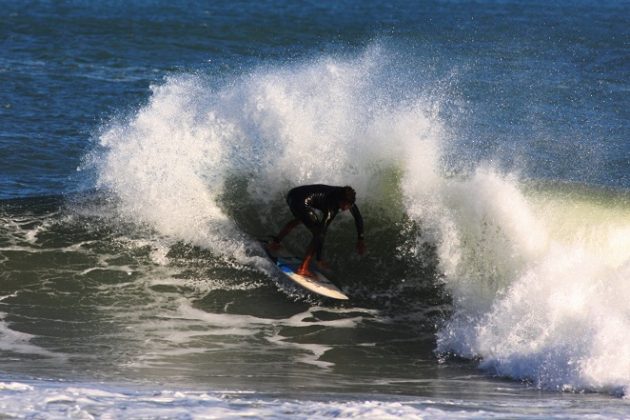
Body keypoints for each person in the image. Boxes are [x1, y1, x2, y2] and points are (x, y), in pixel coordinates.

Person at [268, 184, 366, 278]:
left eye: (348, 205)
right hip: (299, 201)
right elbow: (321, 234)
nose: (345, 208)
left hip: (293, 194)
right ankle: (303, 268)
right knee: (317, 232)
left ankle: (275, 242)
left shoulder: (345, 195)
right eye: (344, 205)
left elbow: (358, 217)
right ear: (340, 200)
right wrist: (319, 259)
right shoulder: (332, 207)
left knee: (302, 218)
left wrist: (360, 239)